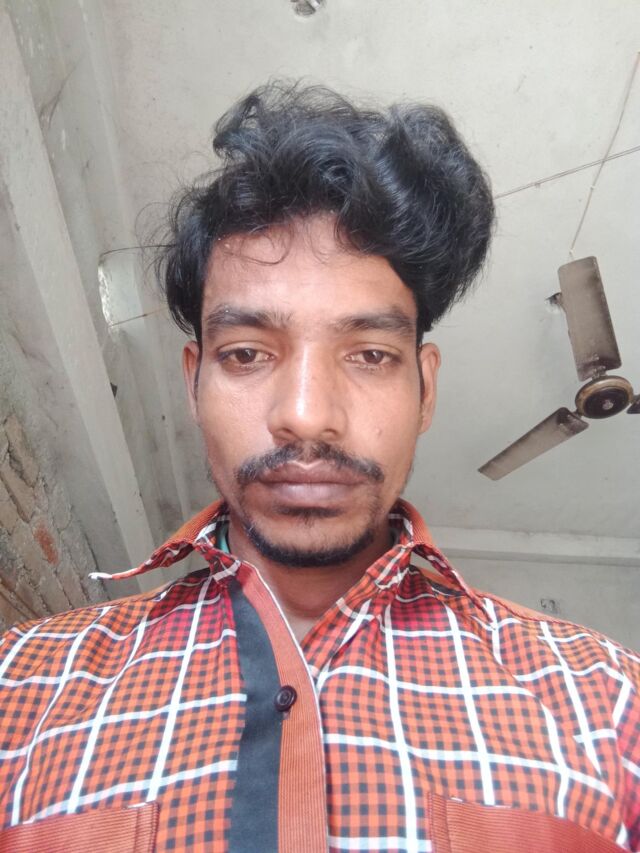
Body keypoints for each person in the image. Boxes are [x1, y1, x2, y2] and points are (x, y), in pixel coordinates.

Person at [0, 82, 638, 853]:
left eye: (369, 354)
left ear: (425, 389)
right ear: (193, 384)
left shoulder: (609, 704)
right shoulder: (19, 689)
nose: (306, 414)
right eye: (246, 354)